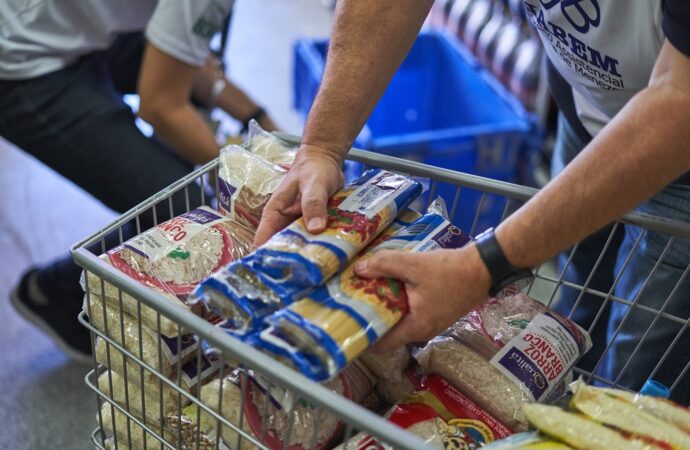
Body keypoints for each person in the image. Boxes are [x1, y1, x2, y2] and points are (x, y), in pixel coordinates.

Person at [255, 0, 690, 404]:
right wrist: (322, 147)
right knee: (577, 300)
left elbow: (679, 105)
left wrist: (481, 268)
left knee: (637, 367)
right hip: (586, 109)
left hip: (680, 153)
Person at [1, 0, 276, 363]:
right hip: (21, 64)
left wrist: (260, 120)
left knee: (185, 135)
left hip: (74, 33)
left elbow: (191, 60)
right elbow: (161, 107)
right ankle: (56, 294)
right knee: (186, 208)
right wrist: (246, 183)